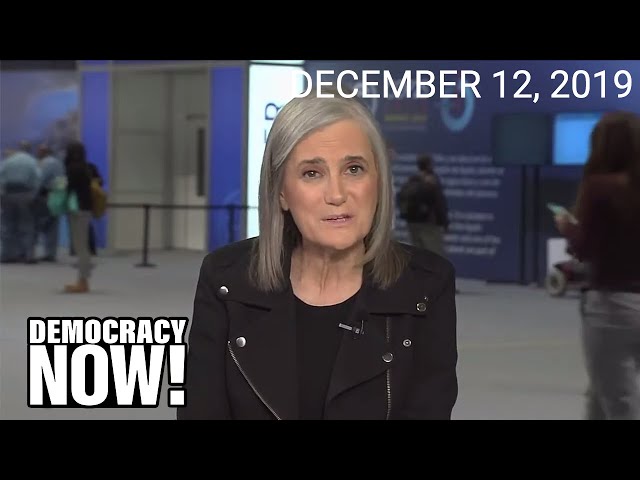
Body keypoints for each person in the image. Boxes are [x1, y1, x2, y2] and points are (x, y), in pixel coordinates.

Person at [178, 87, 458, 420]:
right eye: (312, 173)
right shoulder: (225, 279)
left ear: (379, 181)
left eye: (354, 169)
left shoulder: (425, 286)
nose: (337, 194)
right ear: (281, 192)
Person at [554, 110, 640, 420]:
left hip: (612, 305)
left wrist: (567, 227)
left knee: (618, 400)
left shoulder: (599, 187)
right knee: (601, 395)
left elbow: (584, 248)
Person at [397, 154, 449, 258]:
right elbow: (439, 204)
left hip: (413, 223)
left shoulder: (411, 180)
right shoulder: (431, 181)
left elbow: (400, 198)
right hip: (429, 224)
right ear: (430, 165)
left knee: (418, 256)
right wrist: (445, 223)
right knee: (435, 256)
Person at [63, 141, 94, 293]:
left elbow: (69, 188)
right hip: (86, 208)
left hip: (77, 209)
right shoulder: (86, 167)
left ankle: (83, 281)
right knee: (83, 245)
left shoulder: (73, 168)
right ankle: (83, 279)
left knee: (81, 247)